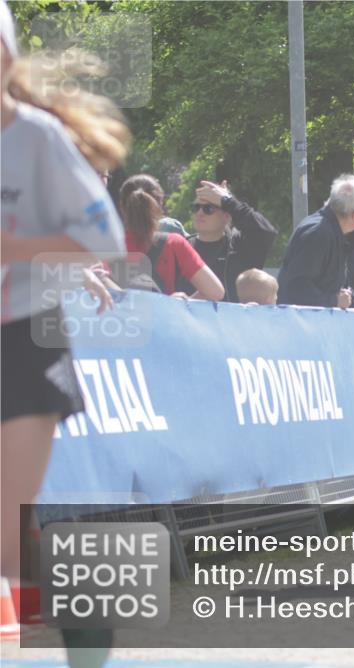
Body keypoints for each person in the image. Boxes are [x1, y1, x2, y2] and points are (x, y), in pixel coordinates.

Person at [1, 1, 127, 659]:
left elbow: (100, 237)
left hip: (26, 334)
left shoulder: (38, 139)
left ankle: (84, 612)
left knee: (7, 513)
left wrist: (17, 250)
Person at [277, 174, 354, 312]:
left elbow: (330, 285)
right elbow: (295, 288)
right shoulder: (318, 233)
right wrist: (334, 301)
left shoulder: (331, 230)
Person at [112, 175, 224, 299]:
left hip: (116, 318)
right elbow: (215, 292)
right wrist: (176, 304)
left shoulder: (104, 245)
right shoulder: (174, 243)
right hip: (161, 318)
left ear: (121, 207)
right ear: (160, 204)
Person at [180, 179, 277, 302]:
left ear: (227, 216)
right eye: (196, 207)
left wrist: (228, 201)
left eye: (208, 208)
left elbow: (265, 232)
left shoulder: (239, 247)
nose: (199, 213)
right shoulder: (181, 247)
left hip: (231, 320)